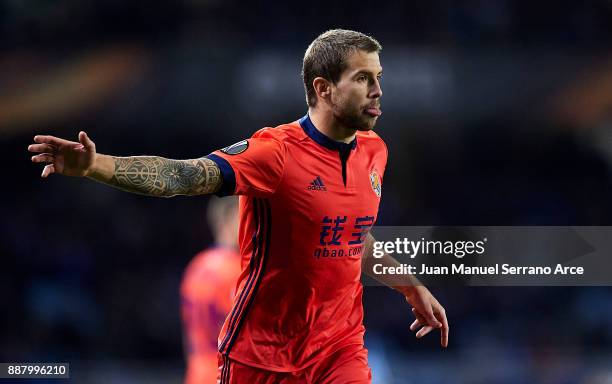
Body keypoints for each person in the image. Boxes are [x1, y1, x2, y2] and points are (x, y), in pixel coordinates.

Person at [29, 29, 449, 383]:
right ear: (323, 88)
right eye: (363, 78)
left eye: (378, 76)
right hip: (261, 359)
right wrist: (95, 165)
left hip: (339, 350)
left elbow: (353, 235)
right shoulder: (275, 153)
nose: (378, 90)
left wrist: (411, 286)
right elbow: (182, 176)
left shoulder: (375, 152)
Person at [181, 196, 241, 384]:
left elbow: (188, 337)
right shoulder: (238, 271)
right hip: (226, 376)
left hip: (196, 374)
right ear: (230, 219)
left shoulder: (196, 266)